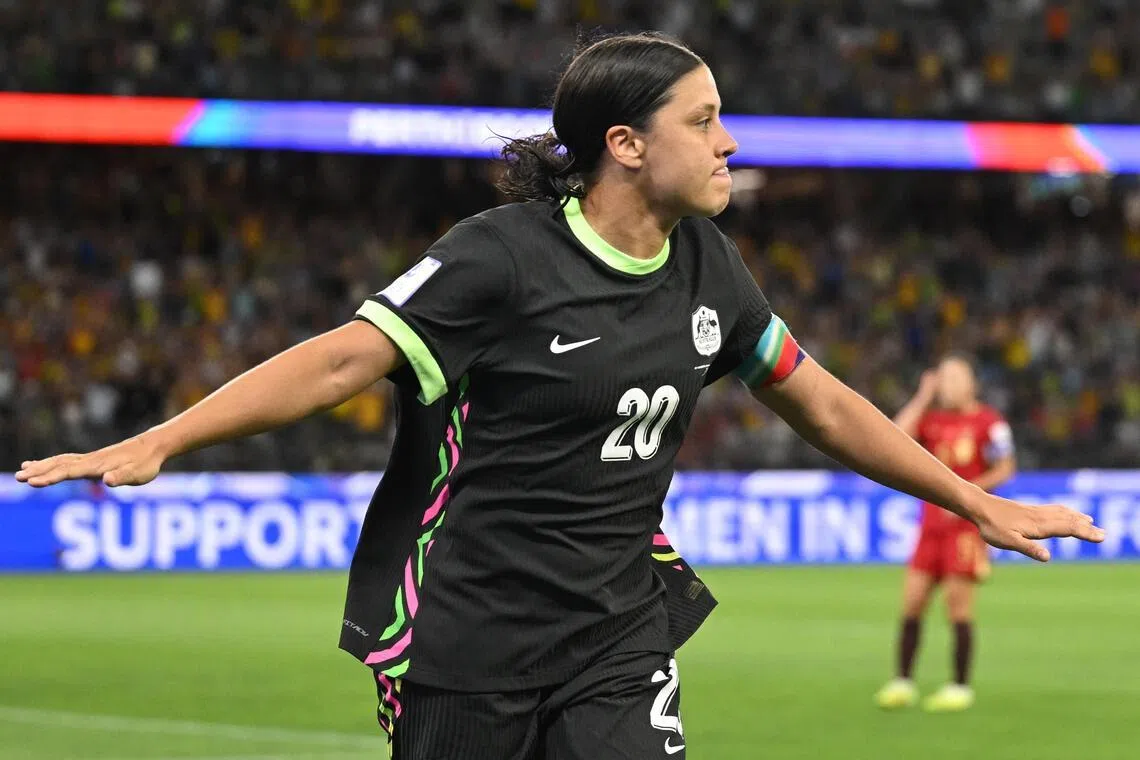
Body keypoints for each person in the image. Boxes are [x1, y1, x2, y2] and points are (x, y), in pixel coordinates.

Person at [16, 33, 1103, 760]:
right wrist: (164, 436)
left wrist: (973, 498)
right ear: (625, 145)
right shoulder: (500, 259)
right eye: (705, 119)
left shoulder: (709, 261)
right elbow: (346, 358)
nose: (730, 142)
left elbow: (819, 402)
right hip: (466, 637)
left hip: (618, 634)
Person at [875, 355, 1017, 713]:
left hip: (965, 530)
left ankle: (959, 686)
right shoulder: (932, 419)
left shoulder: (989, 422)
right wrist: (923, 397)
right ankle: (903, 681)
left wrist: (969, 495)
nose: (947, 385)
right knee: (912, 602)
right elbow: (890, 439)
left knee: (958, 608)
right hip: (930, 528)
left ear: (972, 383)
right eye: (943, 378)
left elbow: (1006, 467)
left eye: (955, 377)